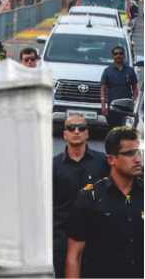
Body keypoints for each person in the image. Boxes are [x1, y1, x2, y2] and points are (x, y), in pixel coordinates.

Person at [65, 127, 142, 279]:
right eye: (129, 153)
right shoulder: (89, 197)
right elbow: (74, 255)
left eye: (139, 152)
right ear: (111, 159)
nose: (138, 159)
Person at [52, 114, 110, 278]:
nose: (76, 131)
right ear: (65, 135)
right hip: (63, 241)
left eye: (81, 128)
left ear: (87, 133)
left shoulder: (103, 162)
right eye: (71, 128)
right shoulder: (53, 166)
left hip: (97, 240)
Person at [100, 46, 139, 127]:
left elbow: (135, 88)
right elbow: (103, 89)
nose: (118, 55)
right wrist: (103, 106)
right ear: (113, 56)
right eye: (116, 54)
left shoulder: (130, 70)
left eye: (121, 53)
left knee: (125, 129)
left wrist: (135, 102)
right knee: (113, 128)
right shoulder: (107, 71)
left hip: (127, 106)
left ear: (124, 55)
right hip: (113, 106)